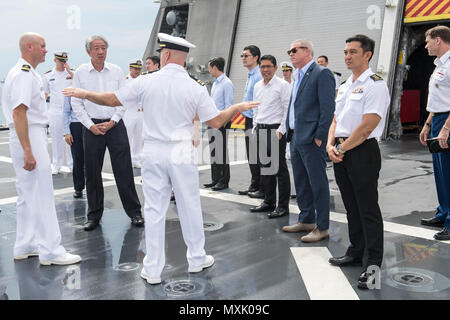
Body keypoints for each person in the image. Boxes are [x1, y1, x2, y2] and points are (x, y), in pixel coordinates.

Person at [63, 33, 259, 285]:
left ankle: (153, 269)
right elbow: (217, 121)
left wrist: (82, 92)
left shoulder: (146, 82)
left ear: (165, 55)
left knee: (154, 209)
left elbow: (112, 99)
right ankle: (197, 258)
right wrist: (237, 108)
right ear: (183, 59)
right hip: (180, 150)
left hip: (154, 150)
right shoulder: (194, 86)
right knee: (189, 204)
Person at [2, 32, 81, 265]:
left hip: (27, 135)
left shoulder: (24, 72)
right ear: (30, 47)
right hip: (30, 135)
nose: (47, 50)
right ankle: (51, 250)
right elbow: (19, 112)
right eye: (43, 46)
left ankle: (25, 244)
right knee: (42, 193)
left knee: (27, 195)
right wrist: (28, 150)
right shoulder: (24, 75)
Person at [326, 34, 390, 289]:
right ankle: (355, 252)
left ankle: (372, 267)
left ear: (367, 55)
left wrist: (339, 147)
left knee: (368, 210)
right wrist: (331, 145)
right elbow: (335, 119)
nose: (347, 56)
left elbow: (367, 127)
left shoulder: (375, 85)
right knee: (351, 207)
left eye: (353, 51)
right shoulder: (344, 86)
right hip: (341, 150)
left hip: (362, 151)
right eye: (345, 52)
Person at [71, 35, 143, 231]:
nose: (100, 51)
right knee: (92, 173)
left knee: (124, 170)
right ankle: (94, 215)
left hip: (115, 125)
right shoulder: (80, 73)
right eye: (96, 48)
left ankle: (135, 212)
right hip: (91, 127)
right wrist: (89, 125)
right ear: (88, 51)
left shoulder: (117, 71)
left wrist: (113, 121)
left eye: (103, 48)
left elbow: (123, 100)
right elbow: (76, 102)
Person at [282, 39, 335, 242]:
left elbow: (327, 109)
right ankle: (306, 219)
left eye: (294, 50)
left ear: (307, 51)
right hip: (296, 136)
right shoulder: (298, 75)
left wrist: (320, 138)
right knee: (302, 181)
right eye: (290, 50)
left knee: (317, 183)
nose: (290, 54)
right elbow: (295, 106)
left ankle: (322, 226)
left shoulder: (321, 74)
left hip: (312, 139)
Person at [249, 55, 291, 218]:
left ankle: (283, 206)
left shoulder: (282, 86)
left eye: (268, 66)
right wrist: (254, 127)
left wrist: (281, 130)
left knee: (279, 169)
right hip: (260, 129)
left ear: (275, 68)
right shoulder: (258, 86)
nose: (265, 70)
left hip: (275, 130)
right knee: (265, 167)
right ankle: (268, 201)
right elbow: (255, 108)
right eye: (262, 67)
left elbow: (287, 109)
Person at [419, 25, 450, 241]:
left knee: (449, 172)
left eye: (428, 40)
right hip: (438, 118)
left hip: (448, 120)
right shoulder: (439, 64)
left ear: (438, 40)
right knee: (440, 173)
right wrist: (428, 124)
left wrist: (446, 128)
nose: (426, 45)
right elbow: (438, 99)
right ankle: (443, 213)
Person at [238, 45, 264, 198]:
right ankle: (255, 184)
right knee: (252, 155)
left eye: (246, 55)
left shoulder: (258, 76)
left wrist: (255, 123)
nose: (243, 58)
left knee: (257, 156)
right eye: (242, 56)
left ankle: (260, 186)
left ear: (255, 58)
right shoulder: (250, 75)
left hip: (255, 120)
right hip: (248, 118)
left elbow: (259, 102)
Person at [204, 57, 234, 191]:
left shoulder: (226, 83)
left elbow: (229, 106)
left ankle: (223, 180)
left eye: (210, 67)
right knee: (214, 152)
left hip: (221, 122)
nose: (209, 70)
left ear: (215, 67)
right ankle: (215, 178)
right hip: (212, 121)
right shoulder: (216, 83)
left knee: (221, 153)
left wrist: (223, 122)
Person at [43, 52, 73, 174]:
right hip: (54, 111)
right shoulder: (47, 75)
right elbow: (45, 94)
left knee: (71, 139)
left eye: (64, 60)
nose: (62, 63)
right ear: (55, 60)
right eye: (60, 60)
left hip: (70, 111)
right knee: (56, 139)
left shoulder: (71, 74)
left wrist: (70, 72)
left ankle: (72, 165)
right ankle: (56, 165)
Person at [63, 96, 85, 198]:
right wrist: (66, 132)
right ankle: (78, 188)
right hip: (76, 125)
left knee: (93, 158)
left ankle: (93, 187)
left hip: (92, 123)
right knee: (77, 158)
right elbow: (65, 112)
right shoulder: (69, 91)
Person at [123, 59, 144, 168]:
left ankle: (136, 159)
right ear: (130, 68)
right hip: (129, 112)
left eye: (139, 69)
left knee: (139, 137)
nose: (137, 71)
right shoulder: (125, 80)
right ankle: (127, 159)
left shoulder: (143, 80)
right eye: (135, 68)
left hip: (140, 112)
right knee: (127, 137)